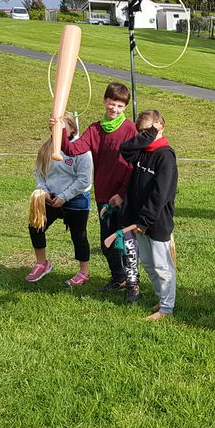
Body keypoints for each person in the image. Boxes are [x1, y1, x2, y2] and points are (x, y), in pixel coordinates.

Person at [57, 82, 140, 301]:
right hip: (104, 196)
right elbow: (72, 149)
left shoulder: (130, 129)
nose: (115, 109)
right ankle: (118, 279)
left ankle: (133, 284)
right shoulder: (95, 129)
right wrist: (61, 130)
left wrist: (121, 193)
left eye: (120, 106)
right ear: (104, 101)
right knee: (107, 242)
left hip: (123, 196)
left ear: (125, 107)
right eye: (112, 104)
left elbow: (132, 165)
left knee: (127, 242)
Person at [112, 110, 178, 320]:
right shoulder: (141, 152)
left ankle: (167, 308)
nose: (144, 135)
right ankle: (161, 298)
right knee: (148, 263)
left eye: (148, 130)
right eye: (140, 132)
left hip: (156, 221)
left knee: (161, 265)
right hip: (138, 219)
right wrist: (147, 135)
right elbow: (125, 149)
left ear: (161, 127)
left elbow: (160, 194)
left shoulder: (165, 156)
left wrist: (145, 221)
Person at [27, 113, 93, 285]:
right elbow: (39, 172)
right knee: (35, 226)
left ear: (72, 128)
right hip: (50, 198)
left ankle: (84, 272)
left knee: (78, 236)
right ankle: (42, 264)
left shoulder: (81, 149)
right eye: (54, 126)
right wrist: (44, 191)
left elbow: (84, 180)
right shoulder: (46, 147)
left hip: (76, 198)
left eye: (62, 127)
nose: (57, 130)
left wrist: (64, 197)